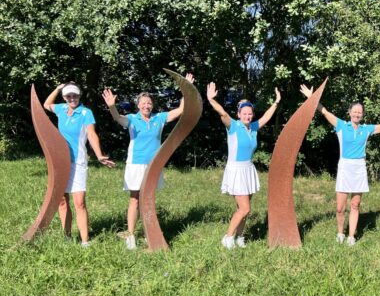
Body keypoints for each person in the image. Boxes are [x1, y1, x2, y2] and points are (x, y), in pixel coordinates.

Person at [300, 85, 380, 245]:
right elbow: (324, 111)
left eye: (359, 112)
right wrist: (312, 98)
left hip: (359, 168)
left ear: (362, 114)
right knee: (340, 207)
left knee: (355, 204)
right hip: (345, 167)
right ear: (349, 112)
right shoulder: (342, 125)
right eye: (354, 111)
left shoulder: (366, 129)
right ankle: (340, 233)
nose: (357, 114)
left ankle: (351, 236)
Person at [102, 73, 195, 250]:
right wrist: (112, 107)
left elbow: (180, 110)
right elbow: (118, 118)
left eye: (149, 103)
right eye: (143, 103)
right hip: (136, 164)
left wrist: (187, 90)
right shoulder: (132, 119)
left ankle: (148, 233)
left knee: (149, 200)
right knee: (135, 199)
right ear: (138, 105)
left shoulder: (159, 118)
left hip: (154, 165)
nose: (147, 105)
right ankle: (130, 235)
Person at [207, 82, 281, 249]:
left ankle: (240, 237)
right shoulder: (233, 126)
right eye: (244, 113)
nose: (247, 116)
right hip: (236, 170)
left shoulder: (253, 128)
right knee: (244, 208)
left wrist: (276, 102)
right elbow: (222, 113)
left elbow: (266, 117)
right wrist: (211, 100)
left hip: (248, 169)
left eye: (250, 113)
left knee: (245, 208)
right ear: (239, 114)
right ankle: (228, 237)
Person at [43, 82, 115, 247]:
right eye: (68, 96)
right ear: (64, 97)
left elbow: (91, 134)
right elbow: (46, 104)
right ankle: (67, 237)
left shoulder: (85, 112)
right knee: (62, 201)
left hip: (78, 162)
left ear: (79, 95)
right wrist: (57, 88)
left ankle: (85, 241)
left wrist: (99, 155)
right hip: (60, 161)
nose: (72, 98)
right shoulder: (61, 109)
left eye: (74, 95)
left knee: (79, 202)